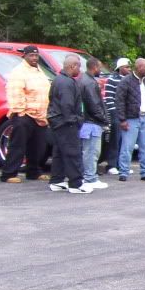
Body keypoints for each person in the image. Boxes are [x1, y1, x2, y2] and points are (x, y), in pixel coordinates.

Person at [0, 45, 52, 183]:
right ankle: (9, 174)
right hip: (24, 114)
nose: (34, 58)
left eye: (36, 56)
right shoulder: (19, 72)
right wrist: (20, 112)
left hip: (39, 115)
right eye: (31, 55)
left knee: (38, 146)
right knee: (18, 145)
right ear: (25, 56)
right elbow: (15, 92)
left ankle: (33, 171)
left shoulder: (39, 71)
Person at [47, 54, 91, 194]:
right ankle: (76, 183)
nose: (81, 69)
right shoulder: (66, 82)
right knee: (73, 152)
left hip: (57, 121)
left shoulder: (58, 79)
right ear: (72, 66)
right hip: (66, 122)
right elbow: (67, 104)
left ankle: (57, 180)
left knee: (59, 152)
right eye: (79, 65)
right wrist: (75, 120)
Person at [115, 57, 145, 182]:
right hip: (132, 118)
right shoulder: (126, 81)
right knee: (127, 147)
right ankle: (123, 172)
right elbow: (120, 100)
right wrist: (122, 119)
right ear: (139, 67)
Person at [77, 57, 110, 189]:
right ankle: (90, 177)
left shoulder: (84, 80)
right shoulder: (90, 83)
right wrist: (104, 119)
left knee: (87, 150)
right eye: (99, 67)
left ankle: (87, 175)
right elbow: (94, 104)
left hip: (86, 121)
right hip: (91, 122)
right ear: (94, 67)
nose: (100, 70)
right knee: (92, 151)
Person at [102, 57, 131, 175]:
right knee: (115, 140)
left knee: (125, 141)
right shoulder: (112, 80)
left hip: (127, 114)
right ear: (120, 68)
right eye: (126, 67)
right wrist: (114, 114)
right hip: (116, 114)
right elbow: (108, 98)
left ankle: (122, 165)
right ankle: (111, 165)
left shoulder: (130, 80)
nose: (129, 69)